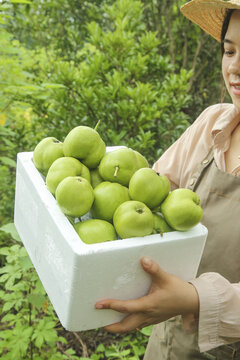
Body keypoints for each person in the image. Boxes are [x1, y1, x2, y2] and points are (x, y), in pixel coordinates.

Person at [95, 0, 240, 358]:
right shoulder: (212, 124)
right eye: (230, 50)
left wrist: (193, 298)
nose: (235, 67)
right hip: (168, 344)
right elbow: (151, 195)